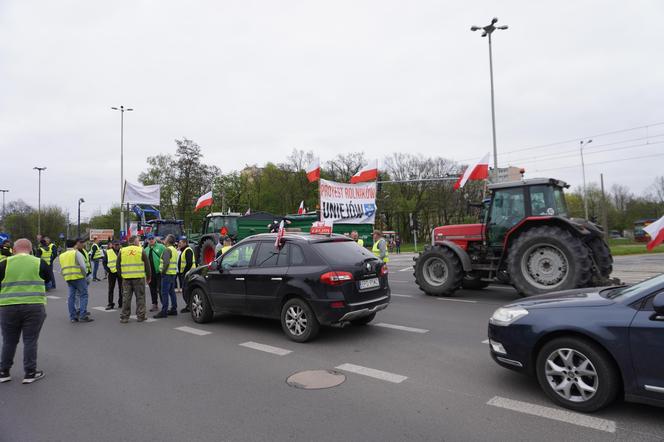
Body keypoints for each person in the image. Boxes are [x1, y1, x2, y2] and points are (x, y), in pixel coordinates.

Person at [0, 238, 50, 384]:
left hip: (8, 306)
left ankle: (4, 372)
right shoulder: (38, 262)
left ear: (14, 250)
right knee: (30, 340)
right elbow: (47, 279)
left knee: (9, 341)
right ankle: (30, 373)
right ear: (30, 249)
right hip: (34, 306)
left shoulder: (4, 263)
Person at [117, 235, 151, 324]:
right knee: (140, 297)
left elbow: (118, 265)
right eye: (138, 241)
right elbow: (147, 265)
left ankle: (124, 317)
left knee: (126, 298)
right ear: (135, 242)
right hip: (138, 278)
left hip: (126, 279)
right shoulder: (140, 250)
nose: (139, 242)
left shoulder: (122, 250)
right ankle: (141, 316)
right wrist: (149, 276)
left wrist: (122, 275)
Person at [59, 239, 94, 323]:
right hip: (78, 277)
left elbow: (61, 270)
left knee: (71, 297)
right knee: (84, 295)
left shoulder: (62, 255)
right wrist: (84, 275)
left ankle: (73, 317)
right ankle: (82, 315)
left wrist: (65, 276)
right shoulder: (76, 253)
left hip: (69, 278)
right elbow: (82, 266)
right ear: (75, 245)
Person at [154, 235, 178, 318]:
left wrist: (163, 272)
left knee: (164, 293)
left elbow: (166, 263)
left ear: (168, 241)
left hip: (167, 274)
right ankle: (174, 309)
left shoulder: (167, 250)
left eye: (165, 238)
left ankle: (164, 311)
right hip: (173, 273)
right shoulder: (174, 250)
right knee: (172, 292)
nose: (164, 240)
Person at [145, 234, 164, 312]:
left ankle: (164, 305)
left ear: (155, 239)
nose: (151, 240)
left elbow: (166, 258)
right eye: (149, 239)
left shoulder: (161, 247)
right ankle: (154, 304)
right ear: (147, 240)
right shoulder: (145, 250)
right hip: (150, 273)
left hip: (159, 272)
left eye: (152, 238)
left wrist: (163, 269)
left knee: (161, 289)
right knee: (152, 289)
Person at [177, 237, 197, 313]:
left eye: (180, 243)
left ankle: (189, 306)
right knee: (186, 290)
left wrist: (184, 272)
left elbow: (189, 263)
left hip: (189, 274)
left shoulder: (187, 250)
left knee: (186, 290)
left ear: (185, 243)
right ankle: (188, 305)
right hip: (187, 273)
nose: (179, 244)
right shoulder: (184, 250)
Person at [103, 240, 123, 310]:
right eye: (116, 245)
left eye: (118, 245)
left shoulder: (122, 251)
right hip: (112, 273)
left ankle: (121, 303)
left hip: (121, 272)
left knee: (122, 288)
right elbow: (104, 262)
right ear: (113, 245)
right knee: (111, 289)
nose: (117, 246)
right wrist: (108, 270)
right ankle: (110, 304)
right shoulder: (108, 252)